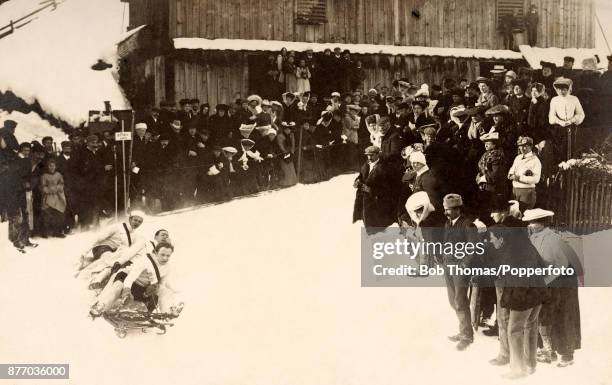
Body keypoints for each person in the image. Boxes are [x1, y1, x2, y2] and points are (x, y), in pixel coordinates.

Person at [523, 209, 582, 368]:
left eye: (532, 222)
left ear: (541, 223)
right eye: (529, 223)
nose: (530, 225)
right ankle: (548, 350)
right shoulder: (534, 237)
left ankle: (567, 354)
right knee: (545, 315)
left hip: (563, 283)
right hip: (550, 281)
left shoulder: (553, 239)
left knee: (563, 317)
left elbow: (561, 264)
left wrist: (545, 280)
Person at [488, 224, 548, 378]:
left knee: (514, 330)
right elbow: (543, 266)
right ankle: (530, 365)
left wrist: (516, 300)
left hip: (524, 296)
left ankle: (518, 370)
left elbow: (517, 279)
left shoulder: (510, 253)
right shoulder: (525, 245)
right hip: (538, 293)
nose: (490, 241)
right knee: (530, 326)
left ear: (501, 239)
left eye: (492, 238)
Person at [90, 242, 180, 315]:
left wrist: (153, 288)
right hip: (126, 279)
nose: (165, 258)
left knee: (165, 291)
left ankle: (168, 311)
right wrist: (126, 291)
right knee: (118, 287)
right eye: (162, 254)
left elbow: (161, 284)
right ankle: (101, 306)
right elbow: (130, 278)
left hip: (142, 287)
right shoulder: (145, 261)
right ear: (156, 253)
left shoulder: (168, 267)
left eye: (168, 256)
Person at [442, 193, 478, 351]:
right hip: (448, 267)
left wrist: (464, 265)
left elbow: (473, 247)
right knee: (453, 301)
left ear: (458, 209)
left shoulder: (468, 225)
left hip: (460, 269)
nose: (446, 212)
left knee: (460, 301)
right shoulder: (448, 223)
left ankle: (466, 336)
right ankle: (463, 329)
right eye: (445, 209)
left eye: (448, 210)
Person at [77, 210, 145, 272]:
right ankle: (85, 271)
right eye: (135, 220)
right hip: (102, 248)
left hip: (116, 253)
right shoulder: (117, 227)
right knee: (108, 260)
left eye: (139, 222)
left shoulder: (134, 236)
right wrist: (84, 252)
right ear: (130, 219)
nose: (137, 223)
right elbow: (97, 238)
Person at [352, 146, 396, 234]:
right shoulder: (366, 165)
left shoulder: (384, 168)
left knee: (378, 227)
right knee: (367, 222)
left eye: (371, 155)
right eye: (367, 155)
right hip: (365, 201)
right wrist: (357, 181)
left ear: (378, 154)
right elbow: (361, 176)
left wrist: (371, 190)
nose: (369, 157)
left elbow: (388, 188)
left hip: (377, 202)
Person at [548, 77, 585, 162]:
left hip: (571, 129)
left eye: (564, 89)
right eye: (559, 90)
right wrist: (560, 122)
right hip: (558, 129)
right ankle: (560, 170)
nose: (562, 92)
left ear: (569, 89)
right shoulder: (554, 100)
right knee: (559, 150)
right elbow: (551, 116)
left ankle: (570, 169)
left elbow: (581, 114)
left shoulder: (574, 99)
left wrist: (571, 120)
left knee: (571, 149)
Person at [476, 131, 508, 219]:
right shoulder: (486, 154)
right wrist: (479, 177)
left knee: (495, 214)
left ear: (494, 145)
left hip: (494, 189)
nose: (485, 145)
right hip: (486, 188)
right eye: (485, 143)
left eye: (488, 143)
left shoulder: (496, 156)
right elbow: (482, 169)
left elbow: (495, 175)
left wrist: (482, 178)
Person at [507, 136, 541, 211]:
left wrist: (519, 178)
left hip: (526, 192)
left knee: (523, 215)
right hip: (515, 191)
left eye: (525, 146)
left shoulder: (535, 160)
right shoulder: (518, 158)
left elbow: (536, 179)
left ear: (530, 146)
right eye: (520, 146)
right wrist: (510, 175)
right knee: (513, 214)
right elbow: (512, 170)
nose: (522, 148)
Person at [40, 158, 66, 238]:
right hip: (48, 197)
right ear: (47, 167)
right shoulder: (44, 176)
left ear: (55, 166)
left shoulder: (58, 175)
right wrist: (49, 190)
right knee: (47, 214)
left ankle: (57, 232)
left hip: (58, 196)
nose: (51, 168)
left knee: (58, 214)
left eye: (53, 166)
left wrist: (57, 188)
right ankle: (45, 232)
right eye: (50, 166)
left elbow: (61, 183)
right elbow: (43, 186)